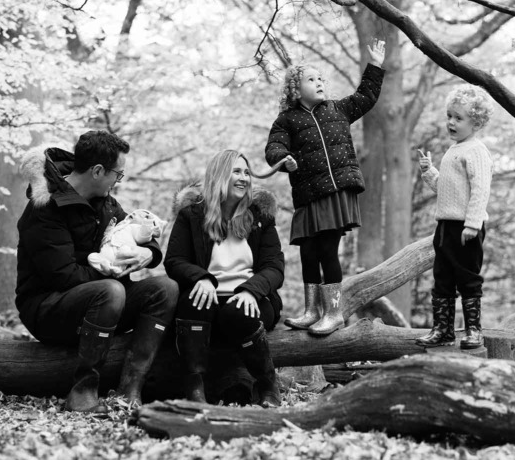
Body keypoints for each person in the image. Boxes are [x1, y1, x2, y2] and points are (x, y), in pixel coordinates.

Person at [15, 130, 179, 413]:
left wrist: (148, 253)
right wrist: (115, 271)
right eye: (118, 174)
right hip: (48, 308)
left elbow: (136, 229)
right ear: (98, 170)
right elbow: (63, 276)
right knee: (111, 290)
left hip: (102, 300)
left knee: (165, 288)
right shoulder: (45, 208)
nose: (119, 181)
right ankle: (84, 389)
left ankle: (131, 388)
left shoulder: (106, 202)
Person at [265, 39, 385, 336]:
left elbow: (366, 96)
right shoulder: (286, 120)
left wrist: (376, 66)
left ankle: (333, 313)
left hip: (335, 193)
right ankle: (311, 310)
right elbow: (273, 147)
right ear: (295, 89)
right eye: (311, 79)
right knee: (308, 252)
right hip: (308, 195)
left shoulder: (338, 109)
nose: (319, 82)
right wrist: (284, 159)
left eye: (321, 78)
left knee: (328, 250)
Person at [165, 150, 285, 406]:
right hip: (206, 297)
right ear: (219, 176)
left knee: (237, 312)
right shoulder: (192, 216)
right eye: (236, 172)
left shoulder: (260, 217)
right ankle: (195, 387)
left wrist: (250, 290)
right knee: (191, 304)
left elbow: (274, 267)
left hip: (251, 299)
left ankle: (267, 383)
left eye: (246, 172)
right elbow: (174, 261)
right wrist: (202, 278)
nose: (244, 178)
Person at [416, 84, 494, 350]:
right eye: (449, 115)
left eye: (458, 118)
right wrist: (429, 172)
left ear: (476, 122)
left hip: (466, 228)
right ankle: (443, 329)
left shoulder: (476, 151)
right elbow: (446, 191)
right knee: (442, 278)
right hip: (445, 226)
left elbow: (480, 189)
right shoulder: (453, 150)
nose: (451, 122)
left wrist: (473, 224)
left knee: (468, 279)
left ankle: (474, 330)